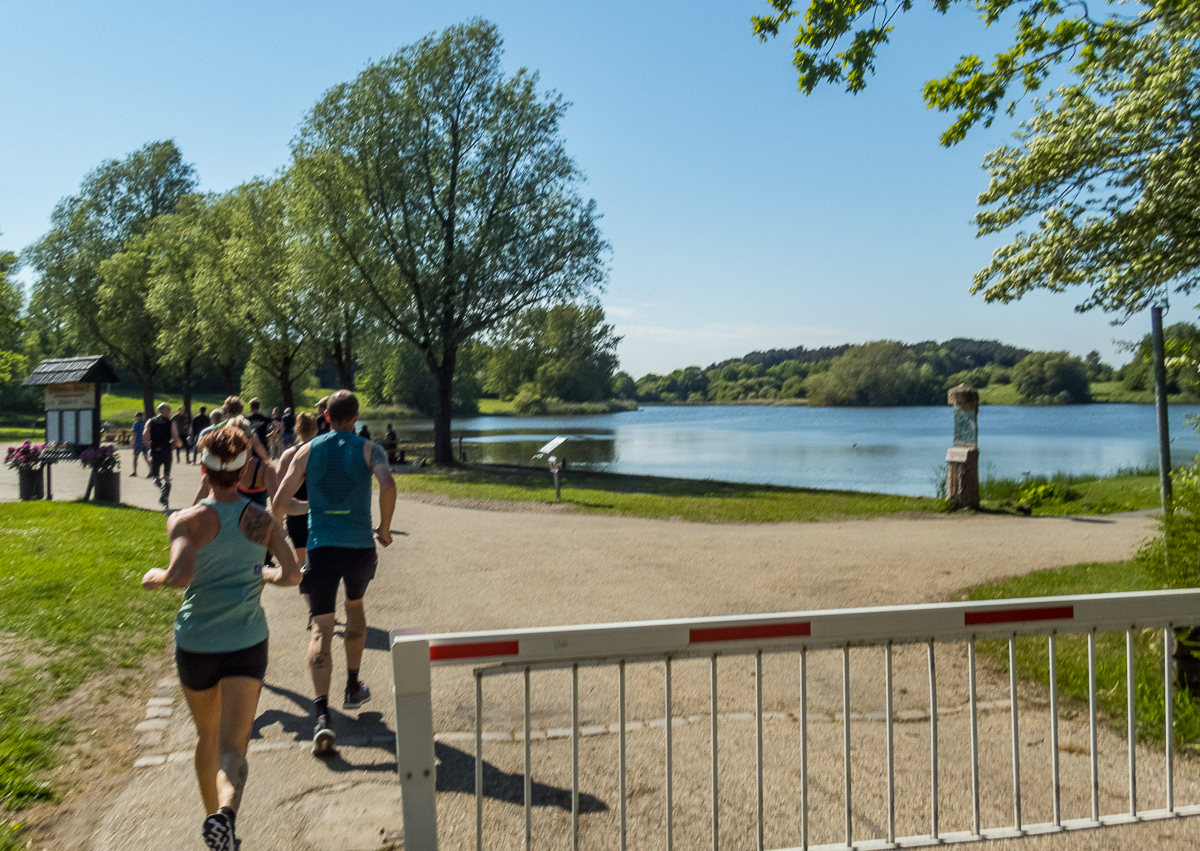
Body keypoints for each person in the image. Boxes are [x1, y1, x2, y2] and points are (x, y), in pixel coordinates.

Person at [141, 427, 301, 851]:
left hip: (197, 642)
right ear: (245, 467)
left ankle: (214, 822)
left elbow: (180, 575)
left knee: (206, 735)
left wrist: (155, 577)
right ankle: (226, 816)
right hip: (246, 640)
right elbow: (292, 575)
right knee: (234, 745)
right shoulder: (262, 520)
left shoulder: (185, 520)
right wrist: (264, 573)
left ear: (203, 469)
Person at [274, 390, 396, 756]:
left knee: (320, 626)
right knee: (354, 608)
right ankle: (353, 685)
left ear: (326, 416)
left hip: (321, 547)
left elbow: (279, 502)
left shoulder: (306, 450)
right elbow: (387, 484)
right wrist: (385, 528)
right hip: (359, 547)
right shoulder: (369, 449)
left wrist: (310, 509)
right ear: (356, 416)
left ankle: (322, 716)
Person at [148, 403, 182, 498]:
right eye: (168, 410)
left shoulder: (151, 421)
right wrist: (179, 444)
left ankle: (161, 489)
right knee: (167, 476)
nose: (169, 412)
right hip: (166, 451)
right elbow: (175, 437)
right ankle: (165, 497)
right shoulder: (171, 422)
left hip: (155, 450)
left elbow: (145, 435)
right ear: (163, 410)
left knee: (155, 476)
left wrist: (148, 443)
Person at [130, 411, 149, 477]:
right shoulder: (145, 424)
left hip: (138, 442)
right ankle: (152, 470)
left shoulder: (136, 424)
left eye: (137, 417)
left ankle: (135, 472)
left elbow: (134, 434)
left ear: (139, 417)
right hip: (145, 443)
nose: (136, 418)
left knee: (135, 458)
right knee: (146, 457)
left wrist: (133, 442)